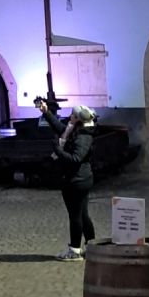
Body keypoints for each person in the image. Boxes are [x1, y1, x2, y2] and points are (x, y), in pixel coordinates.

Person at [36, 96, 98, 259]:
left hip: (77, 181)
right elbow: (59, 128)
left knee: (75, 216)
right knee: (83, 215)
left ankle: (75, 250)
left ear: (78, 119)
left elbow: (76, 159)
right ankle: (91, 247)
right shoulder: (75, 130)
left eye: (72, 115)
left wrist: (58, 151)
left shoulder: (83, 137)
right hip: (78, 179)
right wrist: (46, 112)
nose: (70, 116)